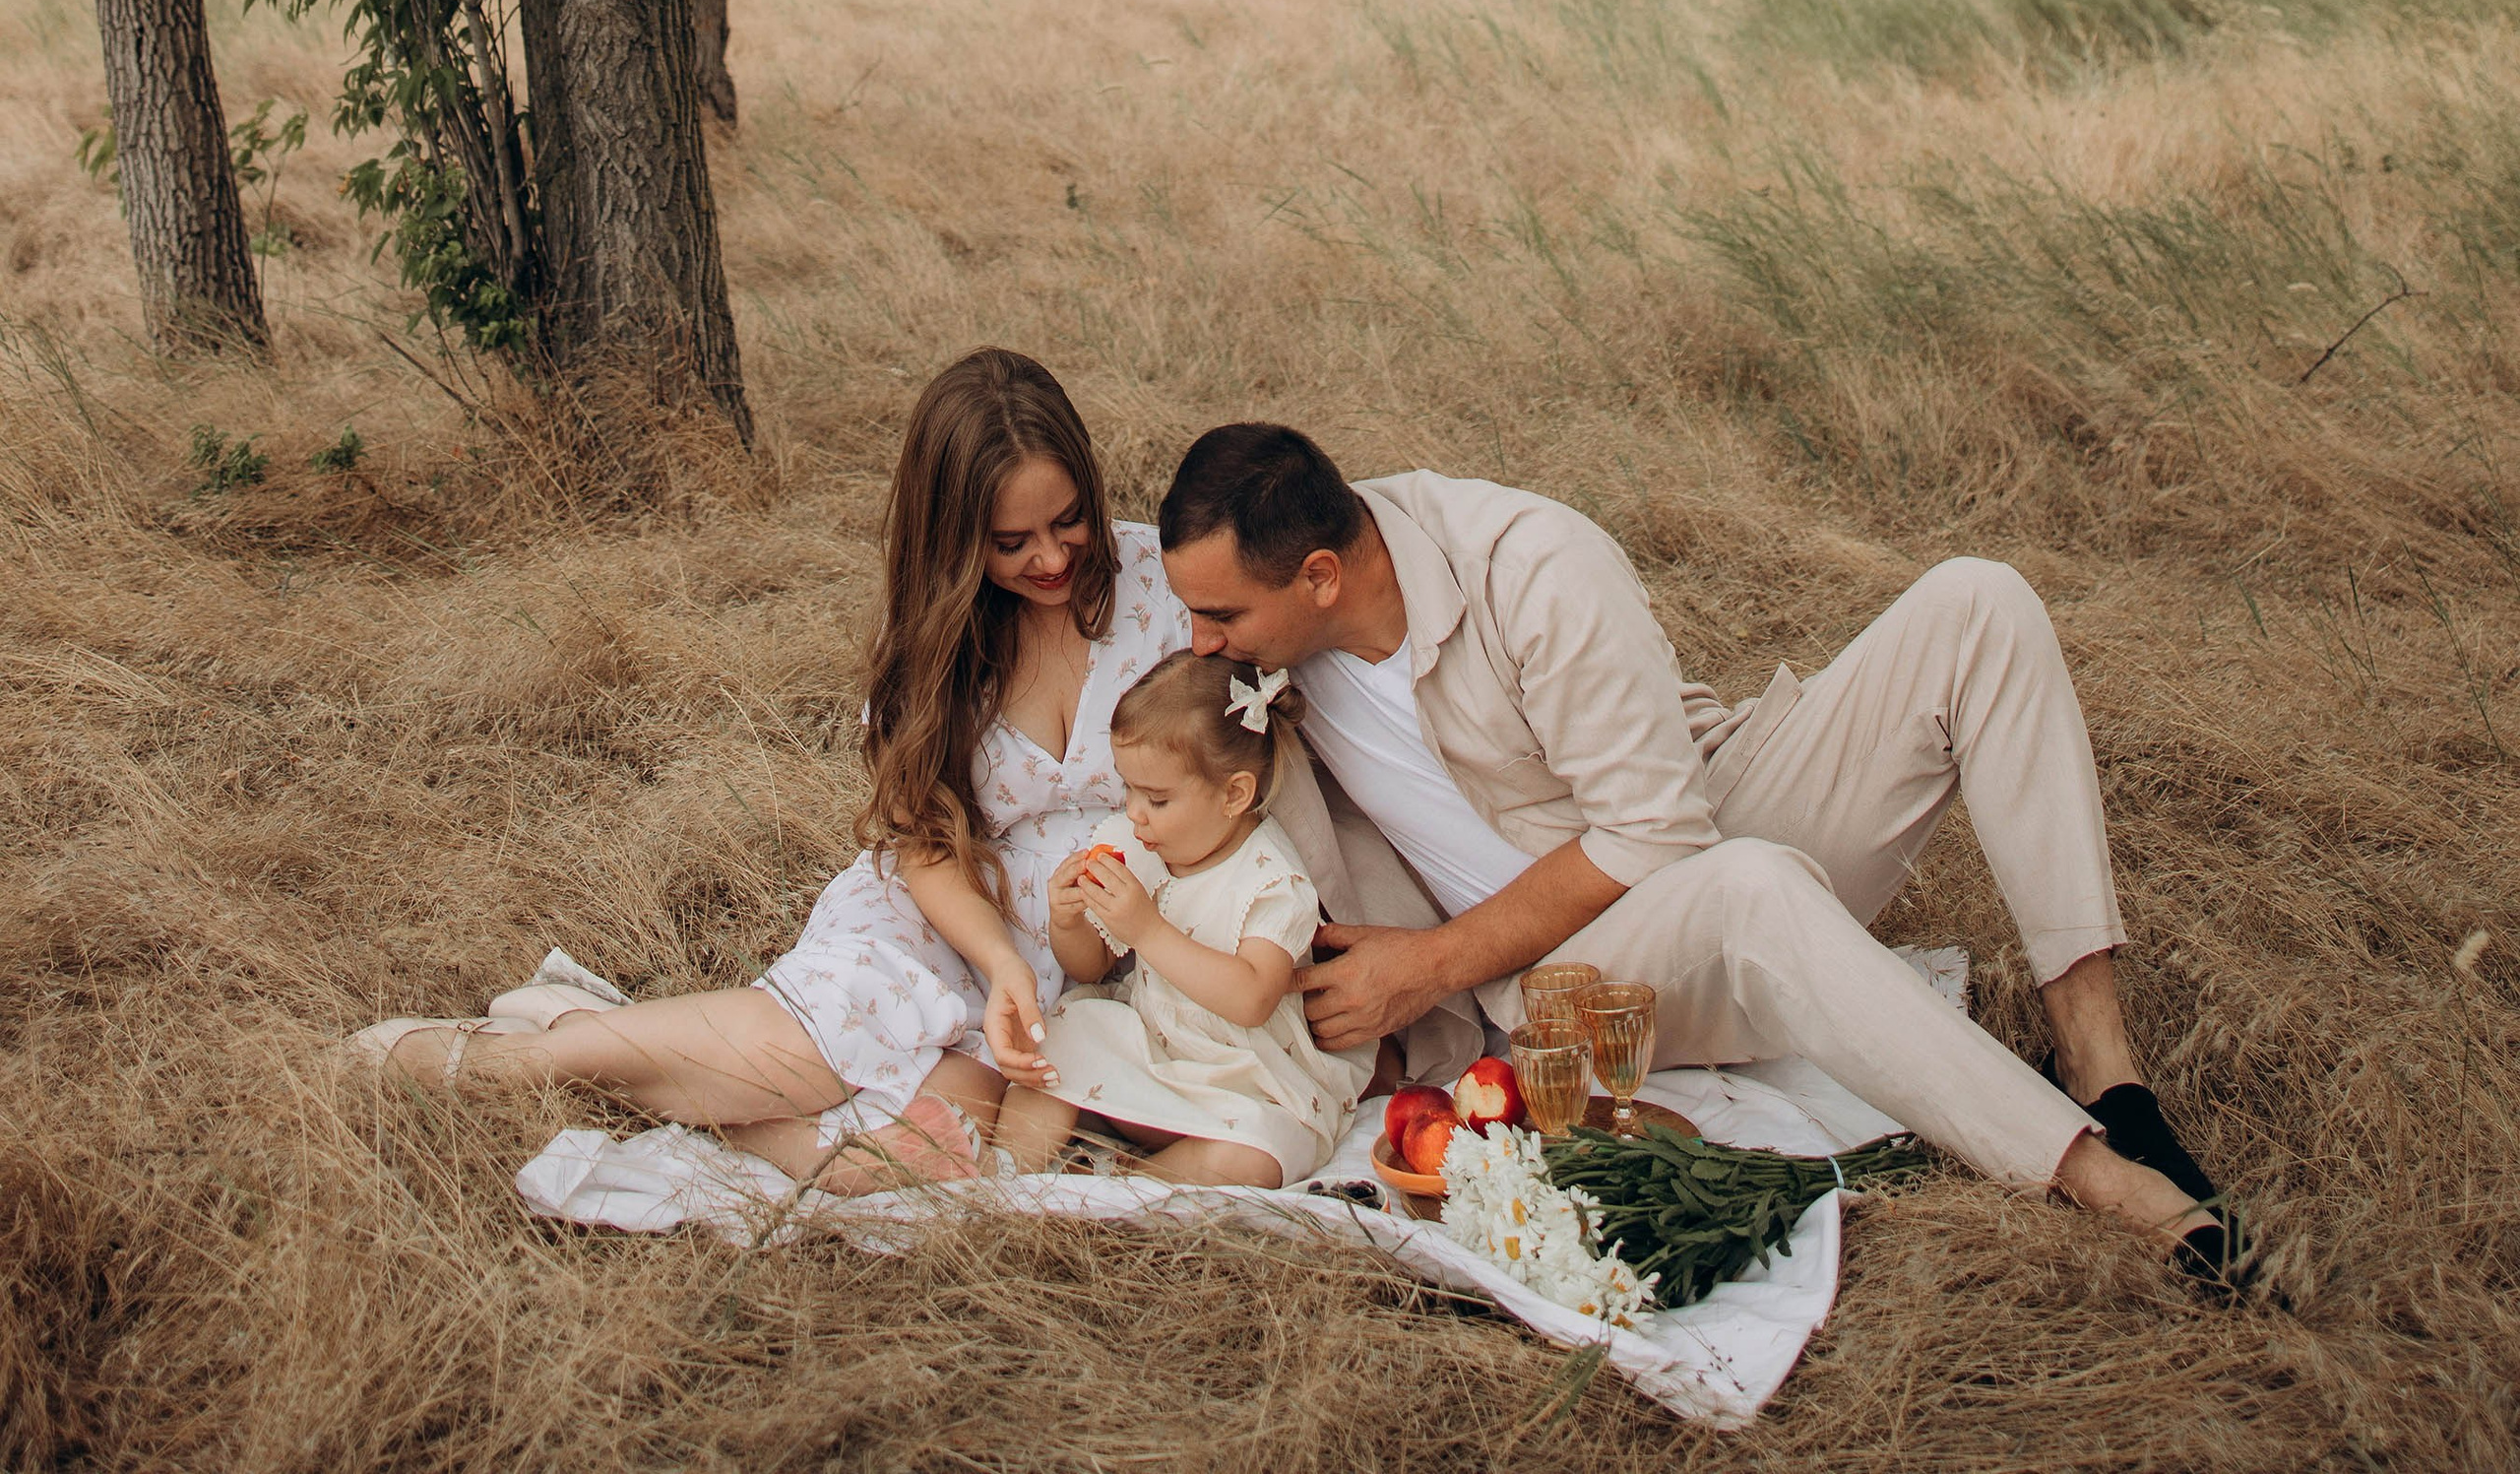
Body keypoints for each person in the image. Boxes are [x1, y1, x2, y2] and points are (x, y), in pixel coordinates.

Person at [1159, 423, 2246, 1280]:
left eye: (1219, 616)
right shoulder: (1258, 648)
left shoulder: (1525, 564)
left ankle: (2103, 1067)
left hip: (1691, 825)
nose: (1199, 643)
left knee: (1980, 601)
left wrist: (1425, 963)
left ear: (1318, 576)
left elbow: (1658, 826)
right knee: (1748, 886)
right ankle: (2105, 1182)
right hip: (1559, 988)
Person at [348, 351, 1187, 1190]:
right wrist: (1001, 962)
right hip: (952, 917)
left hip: (1097, 955)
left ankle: (628, 1058)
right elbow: (921, 838)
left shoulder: (1162, 590)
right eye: (1010, 542)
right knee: (805, 1056)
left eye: (1068, 520)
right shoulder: (939, 637)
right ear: (959, 537)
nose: (1049, 558)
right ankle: (522, 1062)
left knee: (915, 1161)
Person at [996, 652, 1372, 1187]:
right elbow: (1091, 966)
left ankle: (1121, 1190)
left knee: (1259, 1154)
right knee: (1060, 1040)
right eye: (1128, 789)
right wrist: (1069, 923)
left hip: (1242, 1079)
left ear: (1234, 794)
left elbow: (1252, 998)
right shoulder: (1141, 843)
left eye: (1157, 798)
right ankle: (998, 1180)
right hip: (1153, 1045)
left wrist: (1147, 929)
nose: (1134, 812)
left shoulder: (1271, 881)